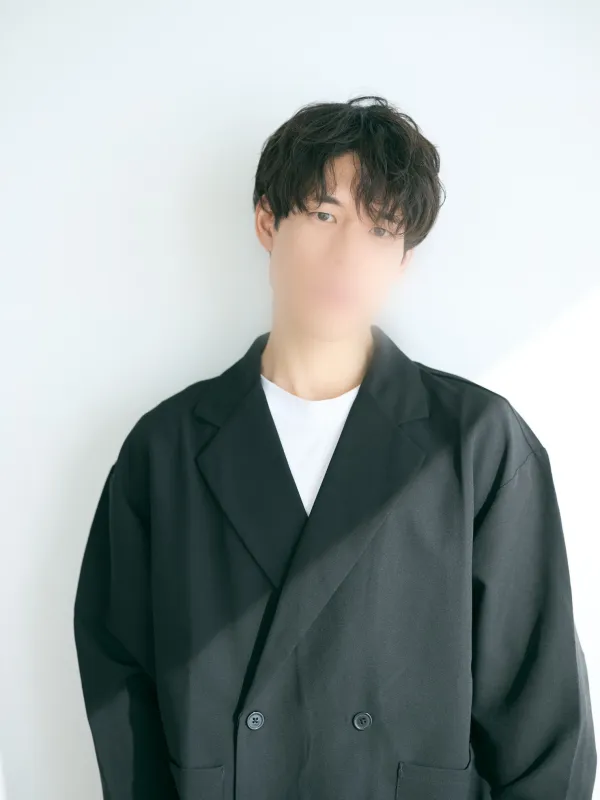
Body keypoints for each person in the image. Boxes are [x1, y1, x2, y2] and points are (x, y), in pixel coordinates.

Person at [73, 95, 596, 800]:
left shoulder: (478, 443)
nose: (348, 255)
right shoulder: (164, 451)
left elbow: (544, 718)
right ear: (268, 222)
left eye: (380, 229)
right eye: (324, 215)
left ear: (403, 259)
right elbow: (120, 688)